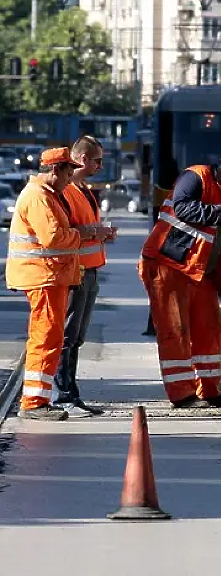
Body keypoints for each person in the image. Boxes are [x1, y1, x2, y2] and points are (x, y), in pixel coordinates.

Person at [6, 148, 111, 420]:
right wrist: (85, 233)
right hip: (43, 277)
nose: (69, 178)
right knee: (45, 338)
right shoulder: (40, 197)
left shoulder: (48, 195)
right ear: (55, 170)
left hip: (50, 276)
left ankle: (38, 399)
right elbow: (53, 238)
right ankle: (34, 402)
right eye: (67, 172)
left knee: (50, 337)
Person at [139, 159, 221, 408]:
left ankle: (208, 389)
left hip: (201, 272)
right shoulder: (195, 177)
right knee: (175, 331)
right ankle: (181, 393)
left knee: (209, 330)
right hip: (170, 265)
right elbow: (184, 209)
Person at [53, 136, 116, 417]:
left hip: (88, 270)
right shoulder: (67, 192)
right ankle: (62, 396)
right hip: (74, 271)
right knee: (67, 336)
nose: (100, 166)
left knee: (76, 337)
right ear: (81, 159)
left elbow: (85, 227)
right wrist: (95, 232)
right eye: (96, 160)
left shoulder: (83, 190)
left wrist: (100, 233)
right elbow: (67, 232)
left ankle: (71, 394)